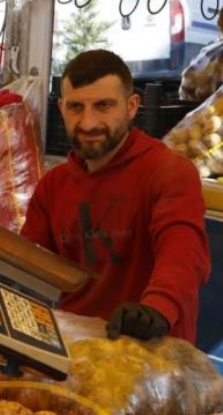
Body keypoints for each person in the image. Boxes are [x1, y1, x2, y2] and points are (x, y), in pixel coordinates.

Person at [20, 49, 211, 343]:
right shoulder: (53, 185)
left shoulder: (169, 172)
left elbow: (184, 254)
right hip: (77, 354)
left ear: (132, 106)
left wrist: (157, 308)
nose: (88, 123)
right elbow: (27, 267)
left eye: (103, 105)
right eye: (75, 107)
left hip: (152, 355)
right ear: (60, 108)